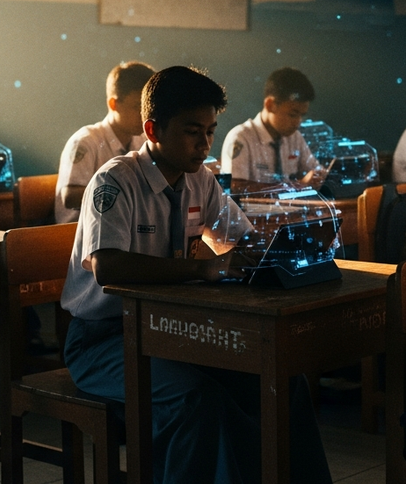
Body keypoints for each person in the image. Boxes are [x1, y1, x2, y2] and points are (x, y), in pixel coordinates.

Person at [60, 66, 332, 484]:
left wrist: (283, 248)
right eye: (192, 131)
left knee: (280, 379)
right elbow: (107, 267)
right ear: (153, 128)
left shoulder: (200, 181)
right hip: (104, 339)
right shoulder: (115, 180)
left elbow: (239, 239)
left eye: (210, 131)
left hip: (167, 328)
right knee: (194, 399)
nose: (205, 144)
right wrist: (201, 268)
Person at [55, 61, 155, 223]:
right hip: (78, 235)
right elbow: (70, 197)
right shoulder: (86, 142)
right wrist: (127, 193)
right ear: (113, 104)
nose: (145, 115)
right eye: (137, 107)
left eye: (148, 107)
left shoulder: (143, 139)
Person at [220, 67, 326, 192]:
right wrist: (297, 186)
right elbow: (234, 187)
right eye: (293, 114)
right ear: (269, 105)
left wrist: (318, 176)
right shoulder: (241, 138)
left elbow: (315, 170)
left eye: (301, 115)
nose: (298, 122)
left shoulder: (294, 137)